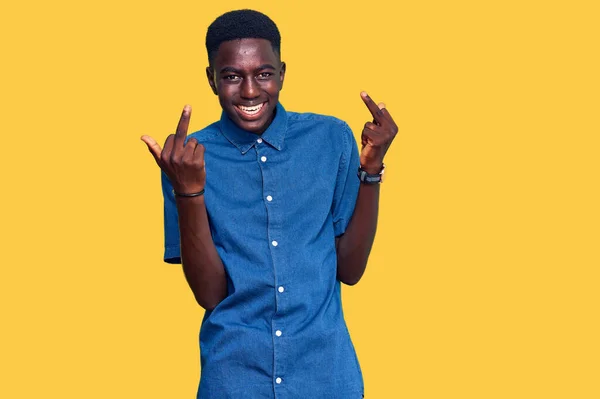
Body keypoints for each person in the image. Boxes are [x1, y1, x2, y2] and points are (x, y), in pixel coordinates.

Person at [141, 9, 398, 399]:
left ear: (282, 73)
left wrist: (373, 169)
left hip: (326, 379)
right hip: (234, 381)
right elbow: (209, 295)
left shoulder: (330, 139)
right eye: (232, 76)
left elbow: (350, 269)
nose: (249, 91)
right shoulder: (186, 160)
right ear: (211, 79)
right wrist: (189, 192)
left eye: (263, 73)